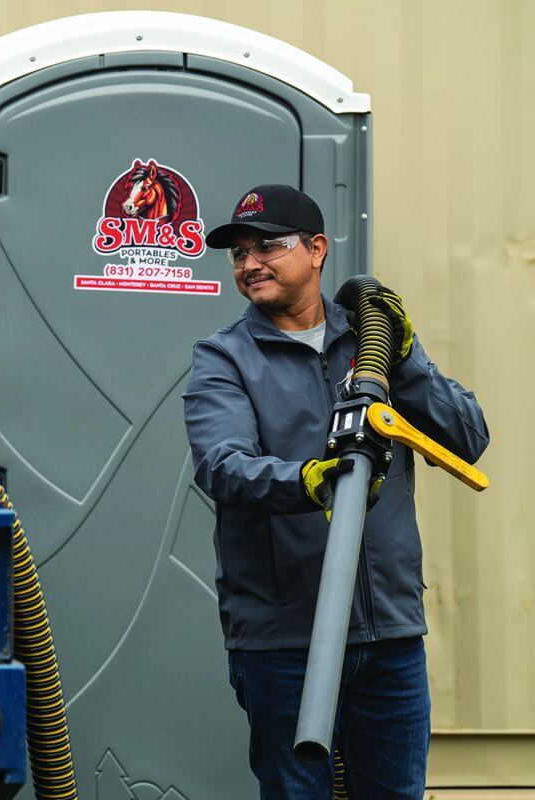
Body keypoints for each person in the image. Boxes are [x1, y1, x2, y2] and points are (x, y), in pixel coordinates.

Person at [182, 185, 489, 800]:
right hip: (285, 640)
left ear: (317, 249)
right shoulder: (224, 358)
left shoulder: (374, 342)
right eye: (239, 253)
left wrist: (406, 360)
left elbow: (467, 436)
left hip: (390, 636)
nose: (250, 264)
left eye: (268, 246)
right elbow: (222, 465)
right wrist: (307, 480)